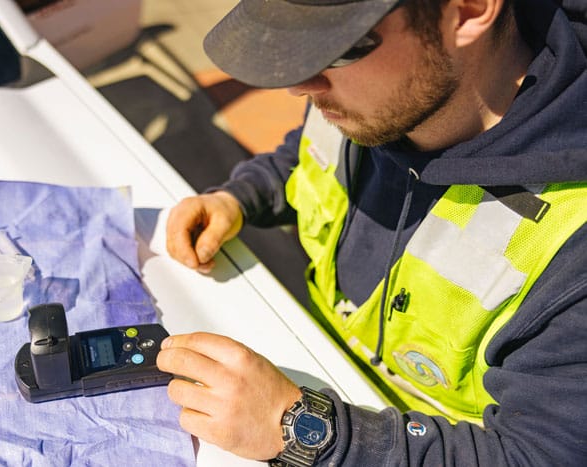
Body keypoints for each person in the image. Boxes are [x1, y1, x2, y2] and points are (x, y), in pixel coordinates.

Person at [156, 0, 587, 465]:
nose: (301, 85)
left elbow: (537, 454)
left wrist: (304, 428)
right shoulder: (370, 102)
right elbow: (306, 155)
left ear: (468, 10)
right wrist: (243, 197)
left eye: (339, 48)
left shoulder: (573, 248)